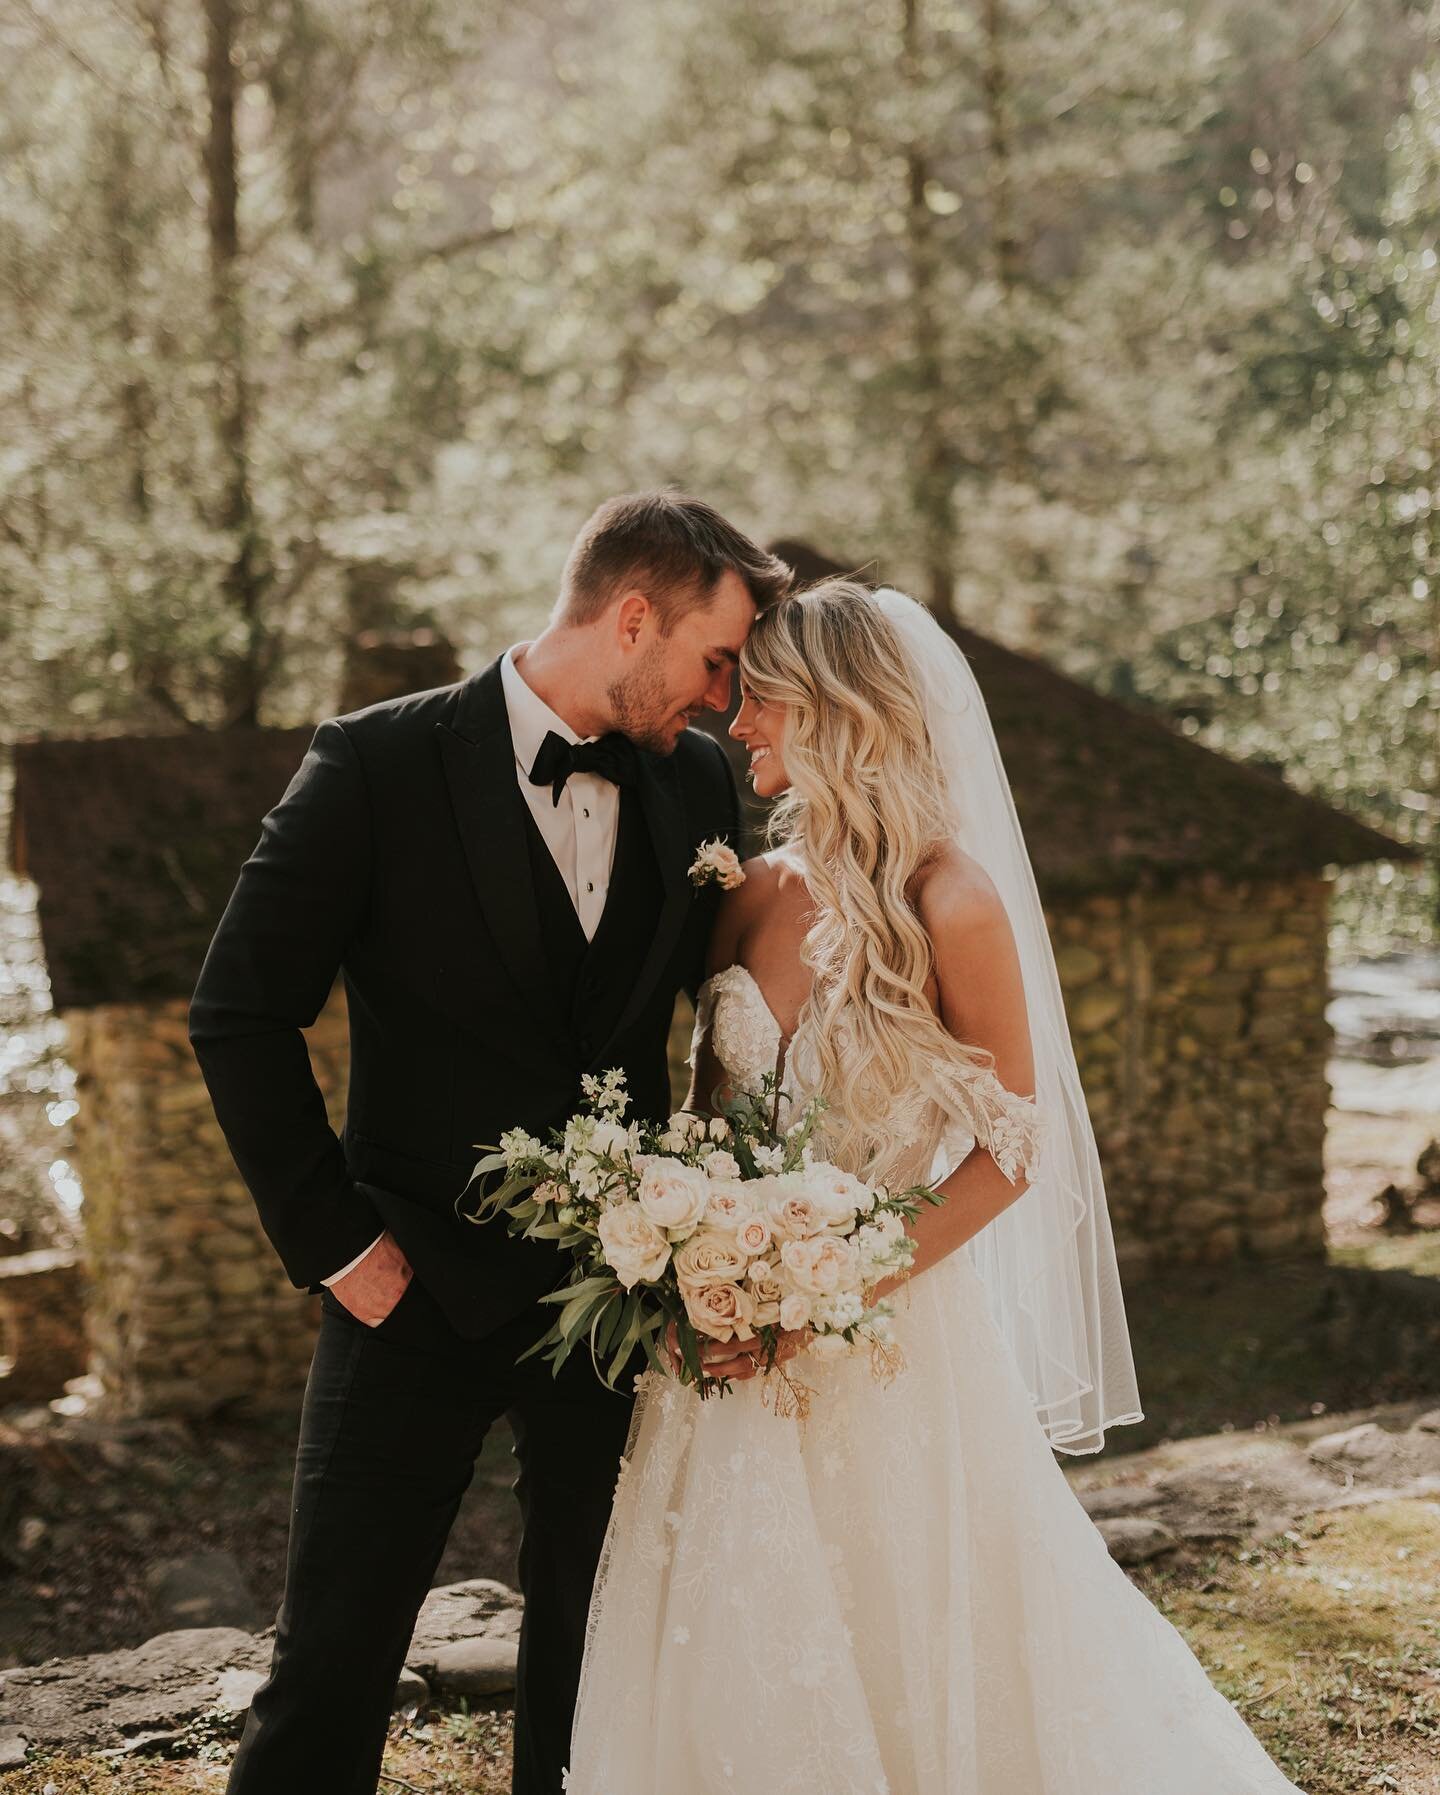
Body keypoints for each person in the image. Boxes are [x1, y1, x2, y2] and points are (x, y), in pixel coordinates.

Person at [565, 580, 1310, 1793]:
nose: (736, 722)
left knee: (917, 1648)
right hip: (719, 1352)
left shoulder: (951, 905)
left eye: (763, 701)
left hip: (884, 1348)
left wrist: (835, 1280)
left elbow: (1013, 1151)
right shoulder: (749, 893)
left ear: (840, 709)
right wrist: (693, 1251)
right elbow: (704, 1121)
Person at [187, 489, 790, 1795]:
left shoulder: (700, 783)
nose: (726, 694)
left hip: (617, 1296)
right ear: (633, 616)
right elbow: (238, 1012)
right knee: (333, 1660)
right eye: (716, 656)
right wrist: (338, 1242)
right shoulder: (373, 765)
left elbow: (726, 1033)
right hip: (409, 1282)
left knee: (596, 1651)